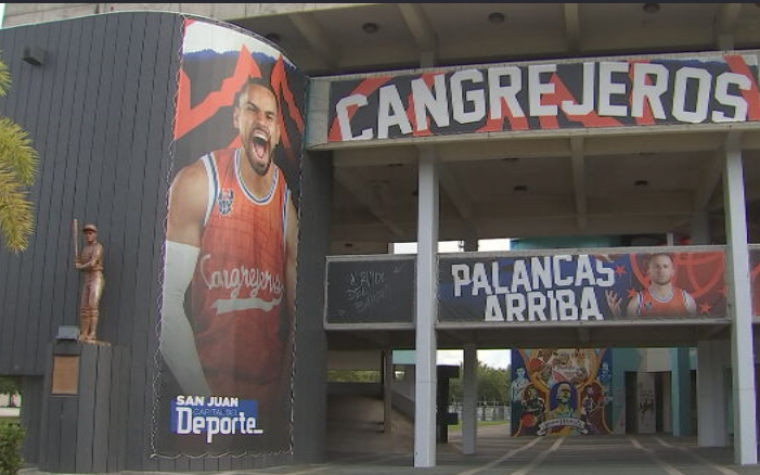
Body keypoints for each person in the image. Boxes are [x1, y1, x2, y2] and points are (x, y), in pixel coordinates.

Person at [160, 76, 299, 420]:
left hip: (267, 398)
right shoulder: (199, 181)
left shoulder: (284, 202)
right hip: (206, 394)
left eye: (269, 116)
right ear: (236, 118)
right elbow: (165, 303)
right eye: (252, 110)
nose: (261, 121)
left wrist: (283, 395)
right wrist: (206, 401)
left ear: (278, 132)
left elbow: (299, 313)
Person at [606, 253, 696, 318]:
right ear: (648, 271)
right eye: (656, 266)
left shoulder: (686, 299)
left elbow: (693, 330)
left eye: (665, 266)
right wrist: (618, 316)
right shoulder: (637, 302)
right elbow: (631, 333)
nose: (661, 270)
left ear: (672, 272)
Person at [75, 224, 105, 342]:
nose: (88, 235)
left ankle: (92, 333)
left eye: (90, 233)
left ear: (95, 234)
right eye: (86, 233)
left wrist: (80, 266)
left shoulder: (98, 247)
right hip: (87, 278)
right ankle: (84, 333)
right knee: (84, 308)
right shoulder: (85, 249)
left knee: (93, 306)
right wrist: (78, 263)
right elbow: (83, 266)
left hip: (96, 277)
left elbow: (92, 263)